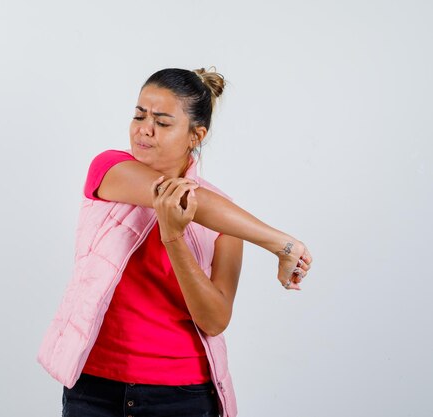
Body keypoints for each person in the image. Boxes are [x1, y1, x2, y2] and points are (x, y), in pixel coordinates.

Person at [38, 67, 313, 417]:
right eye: (139, 115)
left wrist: (174, 237)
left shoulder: (228, 220)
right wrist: (282, 243)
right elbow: (180, 198)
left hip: (181, 394)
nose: (144, 129)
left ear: (195, 135)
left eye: (162, 122)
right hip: (94, 388)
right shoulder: (109, 169)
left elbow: (214, 321)